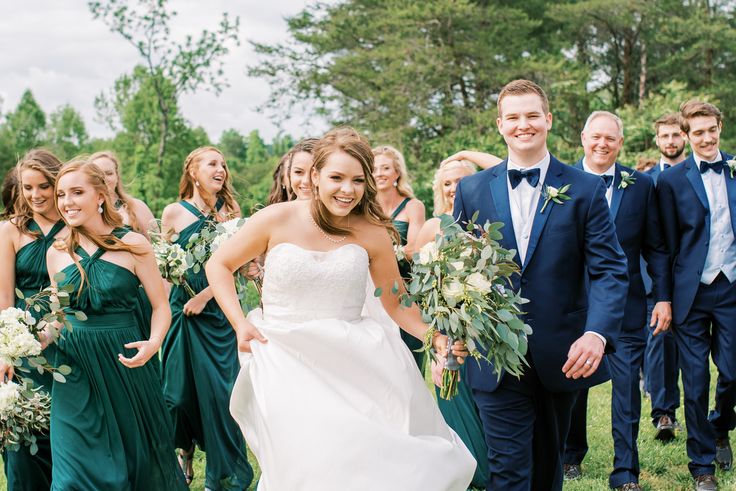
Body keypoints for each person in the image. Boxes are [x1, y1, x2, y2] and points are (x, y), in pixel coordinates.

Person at [206, 127, 476, 491]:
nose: (347, 189)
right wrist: (240, 323)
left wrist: (436, 338)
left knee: (358, 459)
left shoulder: (372, 233)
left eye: (357, 181)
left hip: (354, 358)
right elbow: (218, 265)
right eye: (336, 177)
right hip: (282, 355)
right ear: (315, 176)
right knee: (307, 458)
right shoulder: (276, 218)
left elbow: (396, 305)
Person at [453, 79, 629, 491]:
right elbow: (457, 271)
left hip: (562, 352)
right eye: (513, 117)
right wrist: (452, 333)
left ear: (548, 120)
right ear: (500, 124)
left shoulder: (585, 189)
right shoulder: (472, 188)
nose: (523, 125)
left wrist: (596, 333)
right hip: (493, 354)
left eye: (532, 115)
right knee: (509, 471)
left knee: (548, 469)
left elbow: (609, 269)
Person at [46, 158, 185, 490]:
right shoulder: (56, 252)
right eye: (62, 194)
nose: (67, 202)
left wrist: (153, 344)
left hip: (124, 361)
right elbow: (59, 318)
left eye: (77, 192)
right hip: (73, 368)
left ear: (100, 195)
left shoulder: (134, 245)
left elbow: (160, 307)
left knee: (136, 462)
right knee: (71, 474)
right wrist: (27, 339)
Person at [563, 111, 672, 491]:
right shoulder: (563, 182)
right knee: (573, 386)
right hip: (575, 306)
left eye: (610, 138)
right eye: (595, 137)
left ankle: (625, 473)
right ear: (583, 138)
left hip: (626, 306)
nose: (602, 144)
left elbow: (656, 247)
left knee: (626, 390)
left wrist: (662, 297)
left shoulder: (641, 185)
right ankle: (570, 455)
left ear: (620, 142)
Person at [160, 146, 253, 489]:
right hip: (180, 313)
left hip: (217, 313)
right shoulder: (173, 213)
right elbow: (165, 264)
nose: (221, 169)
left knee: (219, 395)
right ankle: (184, 450)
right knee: (177, 395)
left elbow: (237, 267)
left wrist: (206, 294)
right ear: (193, 172)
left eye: (224, 165)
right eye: (212, 163)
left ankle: (224, 473)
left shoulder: (231, 214)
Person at [657, 100, 736, 491]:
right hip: (690, 292)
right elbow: (664, 246)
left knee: (733, 371)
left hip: (733, 287)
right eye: (698, 132)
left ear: (720, 126)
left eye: (712, 129)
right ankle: (702, 465)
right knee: (695, 379)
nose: (706, 138)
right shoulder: (671, 182)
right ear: (686, 136)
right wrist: (664, 297)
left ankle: (721, 424)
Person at [415, 158, 490, 489]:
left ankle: (494, 466)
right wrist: (433, 337)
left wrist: (467, 152)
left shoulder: (489, 222)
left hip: (485, 324)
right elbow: (419, 287)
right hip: (446, 324)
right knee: (451, 392)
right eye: (447, 182)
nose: (453, 187)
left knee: (488, 397)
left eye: (461, 180)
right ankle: (469, 470)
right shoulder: (432, 227)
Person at [0, 149, 66, 491]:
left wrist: (56, 325)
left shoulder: (75, 225)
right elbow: (4, 299)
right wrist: (5, 353)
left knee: (67, 434)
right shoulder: (10, 230)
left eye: (44, 186)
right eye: (28, 187)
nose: (36, 195)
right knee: (24, 437)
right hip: (24, 345)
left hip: (70, 338)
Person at [643, 112, 687, 442]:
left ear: (684, 136)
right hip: (653, 277)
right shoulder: (644, 181)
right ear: (656, 140)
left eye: (676, 135)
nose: (670, 141)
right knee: (660, 341)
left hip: (694, 276)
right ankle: (664, 414)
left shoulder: (698, 174)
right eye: (664, 136)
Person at [372, 145, 426, 369]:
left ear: (397, 173)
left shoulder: (413, 206)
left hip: (406, 289)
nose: (379, 174)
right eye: (374, 169)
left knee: (409, 359)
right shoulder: (364, 208)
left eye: (386, 168)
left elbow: (414, 249)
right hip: (372, 290)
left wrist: (384, 254)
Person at [89, 151, 156, 236]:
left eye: (109, 173)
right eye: (98, 175)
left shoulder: (137, 206)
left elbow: (158, 244)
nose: (104, 178)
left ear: (117, 177)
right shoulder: (84, 212)